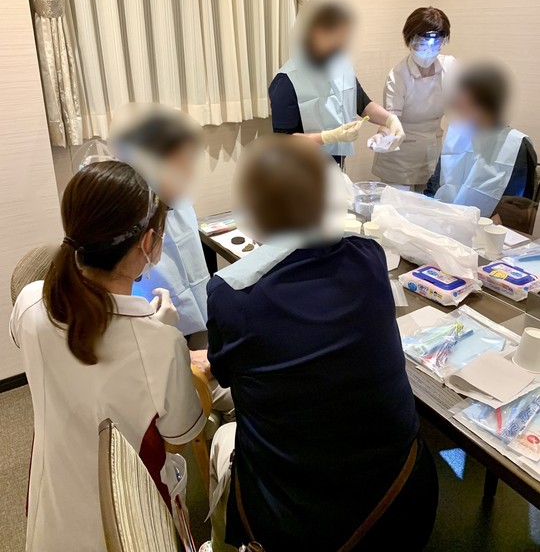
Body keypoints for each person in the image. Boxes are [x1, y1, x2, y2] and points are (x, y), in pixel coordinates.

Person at [205, 135, 438, 552]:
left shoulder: (231, 295)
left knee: (225, 436)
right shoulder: (369, 258)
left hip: (298, 526)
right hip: (404, 501)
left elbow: (225, 376)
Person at [10, 161, 206, 552]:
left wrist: (148, 329)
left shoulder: (30, 302)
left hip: (51, 507)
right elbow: (179, 439)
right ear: (147, 244)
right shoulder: (161, 346)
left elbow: (73, 341)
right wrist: (158, 332)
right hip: (129, 517)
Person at [109, 103, 234, 420]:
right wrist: (189, 357)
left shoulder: (175, 202)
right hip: (157, 356)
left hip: (182, 333)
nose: (188, 172)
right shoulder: (132, 223)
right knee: (249, 383)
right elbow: (133, 345)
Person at [269, 0, 405, 164]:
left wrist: (391, 120)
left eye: (346, 37)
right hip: (302, 169)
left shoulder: (340, 65)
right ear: (317, 32)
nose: (343, 43)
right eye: (339, 37)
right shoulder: (287, 80)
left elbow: (363, 105)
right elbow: (283, 142)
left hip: (335, 164)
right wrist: (328, 137)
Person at [424, 62, 537, 217]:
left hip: (487, 227)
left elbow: (518, 209)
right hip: (442, 220)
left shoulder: (515, 145)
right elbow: (433, 187)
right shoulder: (456, 134)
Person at [372, 6, 456, 191]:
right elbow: (390, 120)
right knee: (397, 205)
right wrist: (381, 136)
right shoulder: (398, 76)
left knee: (427, 204)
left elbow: (464, 105)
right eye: (422, 43)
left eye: (436, 43)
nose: (429, 50)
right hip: (400, 157)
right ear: (409, 41)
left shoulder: (450, 67)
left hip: (432, 152)